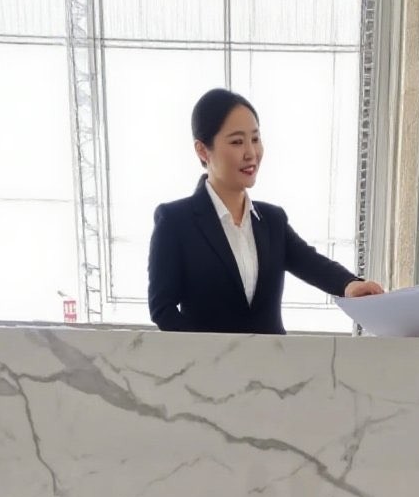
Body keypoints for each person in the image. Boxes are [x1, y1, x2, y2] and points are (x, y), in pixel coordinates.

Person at [147, 88, 383, 332]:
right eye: (237, 142)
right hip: (207, 358)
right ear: (202, 150)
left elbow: (311, 263)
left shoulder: (272, 220)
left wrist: (349, 285)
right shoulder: (175, 221)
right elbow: (162, 309)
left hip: (275, 357)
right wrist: (213, 350)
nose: (251, 153)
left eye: (255, 139)